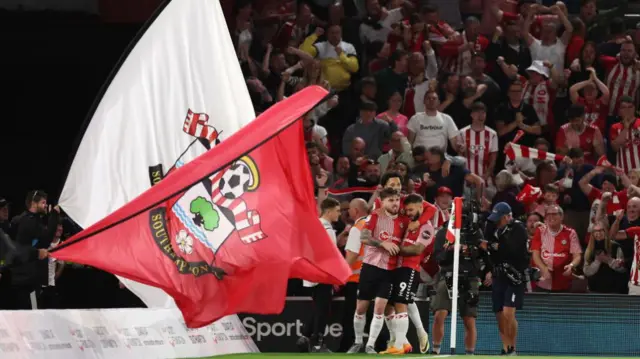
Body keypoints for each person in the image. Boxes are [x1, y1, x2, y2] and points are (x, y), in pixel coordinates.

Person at [348, 188, 405, 354]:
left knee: (380, 308)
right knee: (361, 308)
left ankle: (370, 345)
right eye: (390, 200)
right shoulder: (375, 216)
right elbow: (364, 238)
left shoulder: (403, 221)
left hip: (390, 270)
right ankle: (358, 342)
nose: (394, 203)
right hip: (370, 267)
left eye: (396, 200)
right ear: (382, 201)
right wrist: (382, 244)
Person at [380, 194, 433, 355]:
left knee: (401, 302)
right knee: (387, 305)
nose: (408, 212)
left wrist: (394, 250)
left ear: (420, 207)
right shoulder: (406, 222)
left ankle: (400, 344)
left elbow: (417, 250)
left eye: (411, 209)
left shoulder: (427, 227)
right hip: (395, 268)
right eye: (407, 209)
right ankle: (400, 342)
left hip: (410, 269)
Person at [430, 212, 484, 355]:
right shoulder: (444, 232)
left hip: (470, 278)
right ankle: (435, 351)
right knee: (439, 315)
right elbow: (438, 257)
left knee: (469, 319)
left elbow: (483, 253)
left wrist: (471, 250)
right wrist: (451, 249)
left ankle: (470, 354)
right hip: (447, 276)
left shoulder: (475, 231)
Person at [486, 202, 530, 356]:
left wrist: (496, 246)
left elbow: (513, 250)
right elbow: (489, 249)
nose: (496, 221)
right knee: (499, 314)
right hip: (499, 275)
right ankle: (505, 347)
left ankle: (512, 348)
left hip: (515, 275)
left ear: (507, 216)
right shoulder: (493, 227)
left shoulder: (518, 228)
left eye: (500, 218)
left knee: (508, 312)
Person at [298, 197, 341, 352]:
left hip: (311, 273)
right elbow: (329, 256)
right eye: (337, 211)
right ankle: (317, 344)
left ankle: (305, 336)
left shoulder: (314, 225)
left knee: (318, 307)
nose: (339, 214)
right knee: (322, 309)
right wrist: (334, 277)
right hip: (323, 275)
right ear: (328, 211)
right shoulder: (327, 229)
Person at [10, 190, 59, 310]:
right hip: (27, 280)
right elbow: (46, 239)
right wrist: (54, 215)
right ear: (33, 203)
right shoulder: (28, 221)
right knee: (32, 316)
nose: (45, 205)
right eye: (43, 202)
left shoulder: (28, 220)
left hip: (25, 278)